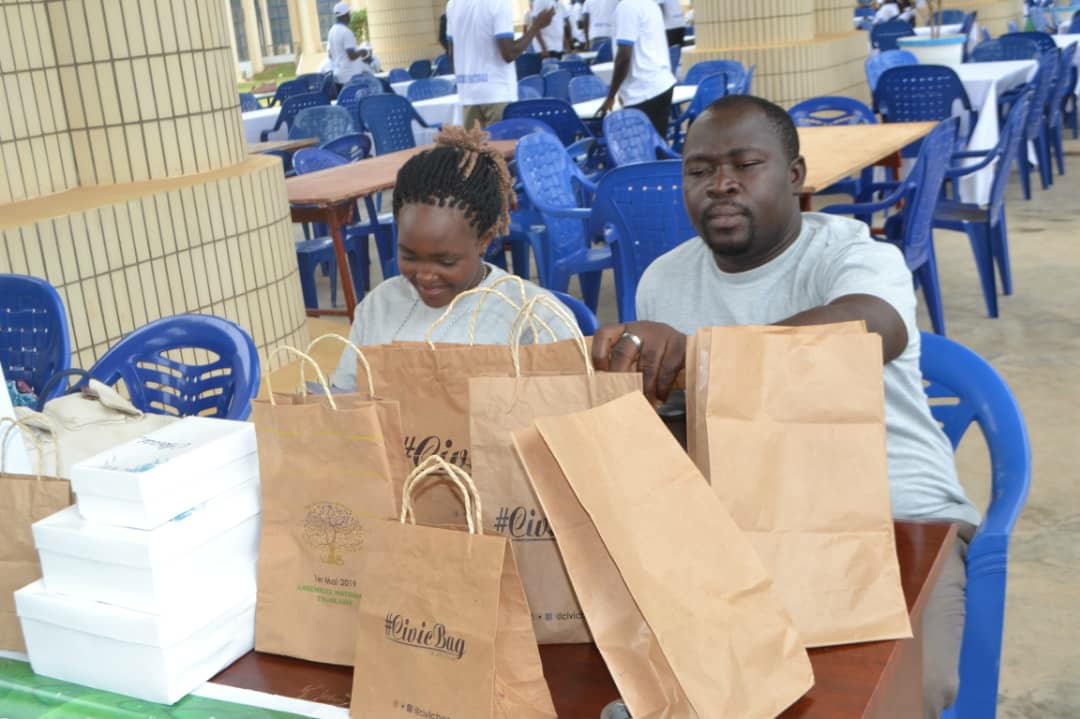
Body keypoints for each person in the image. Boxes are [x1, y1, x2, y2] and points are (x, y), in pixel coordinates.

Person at [590, 95, 979, 719]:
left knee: (905, 690)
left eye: (745, 165)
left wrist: (703, 354)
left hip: (898, 516)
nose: (720, 185)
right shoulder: (664, 280)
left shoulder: (854, 256)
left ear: (794, 177)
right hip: (741, 528)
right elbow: (678, 430)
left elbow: (868, 327)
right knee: (637, 681)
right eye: (698, 171)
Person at [331, 126, 576, 391]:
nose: (424, 274)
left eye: (445, 261)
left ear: (484, 240)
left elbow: (566, 413)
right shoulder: (378, 307)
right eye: (408, 255)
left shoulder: (534, 318)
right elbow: (346, 395)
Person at [447, 0, 555, 129]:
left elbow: (451, 53)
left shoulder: (453, 4)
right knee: (499, 147)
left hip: (468, 94)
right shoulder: (499, 3)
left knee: (474, 148)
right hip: (497, 93)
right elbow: (509, 53)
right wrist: (536, 26)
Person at [595, 0, 676, 138]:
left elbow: (624, 57)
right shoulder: (650, 4)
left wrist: (611, 96)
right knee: (656, 146)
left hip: (643, 92)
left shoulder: (627, 7)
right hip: (661, 85)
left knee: (644, 152)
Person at [327, 2, 369, 89]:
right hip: (350, 77)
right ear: (345, 15)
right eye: (349, 14)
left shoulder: (331, 31)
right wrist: (362, 51)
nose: (350, 16)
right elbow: (352, 56)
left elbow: (330, 54)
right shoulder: (346, 32)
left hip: (338, 75)